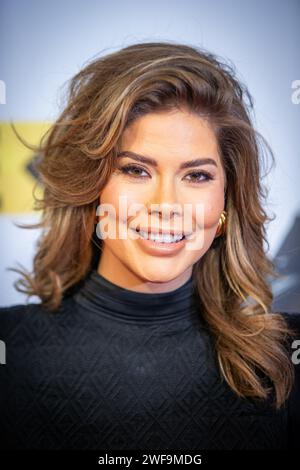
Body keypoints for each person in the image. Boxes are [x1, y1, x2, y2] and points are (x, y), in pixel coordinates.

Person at [0, 41, 299, 450]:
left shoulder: (286, 359)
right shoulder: (8, 348)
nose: (166, 206)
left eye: (196, 176)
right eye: (136, 170)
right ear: (92, 189)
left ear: (226, 203)